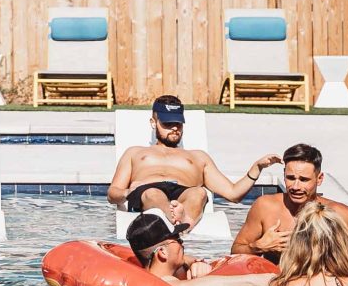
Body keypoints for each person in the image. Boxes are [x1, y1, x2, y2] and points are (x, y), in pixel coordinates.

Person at [107, 95, 281, 226]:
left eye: (178, 123)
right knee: (153, 193)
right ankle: (175, 219)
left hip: (184, 193)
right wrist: (127, 192)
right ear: (153, 122)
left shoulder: (199, 157)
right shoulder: (135, 153)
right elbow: (112, 193)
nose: (174, 128)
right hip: (147, 191)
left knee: (199, 193)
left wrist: (257, 168)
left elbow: (233, 194)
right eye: (167, 124)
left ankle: (182, 224)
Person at [232, 143, 348, 261]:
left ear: (319, 179)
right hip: (277, 285)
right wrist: (257, 246)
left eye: (304, 180)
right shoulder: (265, 206)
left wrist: (336, 258)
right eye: (291, 178)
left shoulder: (338, 213)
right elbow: (235, 251)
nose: (296, 187)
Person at [125, 212, 275, 286]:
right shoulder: (163, 285)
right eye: (177, 239)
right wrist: (256, 281)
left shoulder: (146, 274)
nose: (182, 244)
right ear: (162, 252)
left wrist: (195, 262)